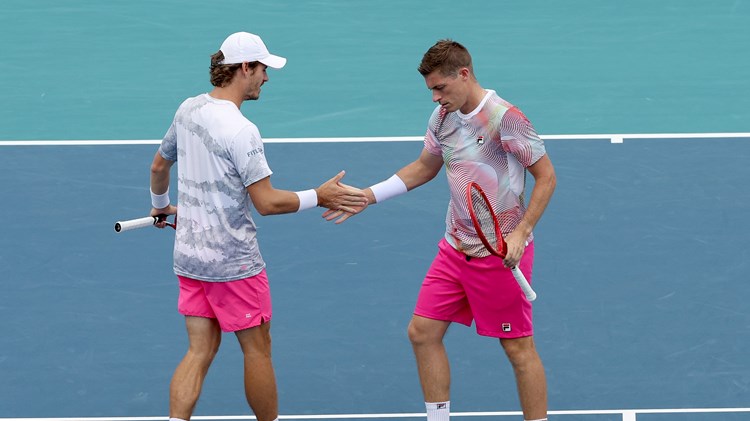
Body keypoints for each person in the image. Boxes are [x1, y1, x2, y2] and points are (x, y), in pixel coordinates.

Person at [325, 39, 556, 421]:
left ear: (463, 75)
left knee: (518, 350)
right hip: (454, 249)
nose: (434, 97)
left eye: (439, 87)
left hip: (499, 256)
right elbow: (424, 168)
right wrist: (368, 195)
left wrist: (521, 231)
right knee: (422, 333)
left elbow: (546, 178)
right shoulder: (443, 119)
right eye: (430, 89)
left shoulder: (506, 118)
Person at [148, 31, 367, 421]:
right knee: (257, 349)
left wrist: (160, 207)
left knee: (199, 350)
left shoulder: (187, 110)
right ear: (244, 68)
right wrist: (320, 195)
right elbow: (266, 203)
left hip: (190, 258)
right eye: (263, 68)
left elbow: (159, 166)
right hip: (234, 266)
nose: (266, 77)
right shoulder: (241, 130)